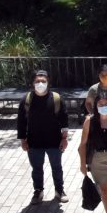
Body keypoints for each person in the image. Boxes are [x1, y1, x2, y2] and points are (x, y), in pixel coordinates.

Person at [17, 70, 70, 204]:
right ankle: (38, 191)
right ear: (32, 83)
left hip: (54, 140)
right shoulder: (26, 100)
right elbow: (21, 121)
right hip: (34, 141)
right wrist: (23, 140)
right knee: (36, 169)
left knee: (57, 167)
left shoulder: (56, 98)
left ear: (48, 82)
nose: (40, 83)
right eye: (37, 81)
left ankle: (59, 190)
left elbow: (64, 119)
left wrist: (64, 138)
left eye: (43, 81)